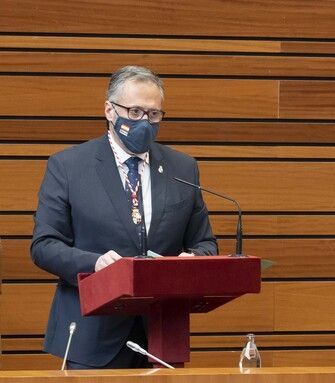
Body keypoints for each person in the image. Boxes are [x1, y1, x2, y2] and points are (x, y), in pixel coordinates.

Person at [30, 66, 218, 369]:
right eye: (134, 112)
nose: (144, 122)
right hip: (92, 336)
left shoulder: (182, 169)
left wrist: (192, 259)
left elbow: (206, 242)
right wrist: (95, 263)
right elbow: (44, 245)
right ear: (109, 110)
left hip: (161, 336)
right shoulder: (68, 166)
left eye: (153, 115)